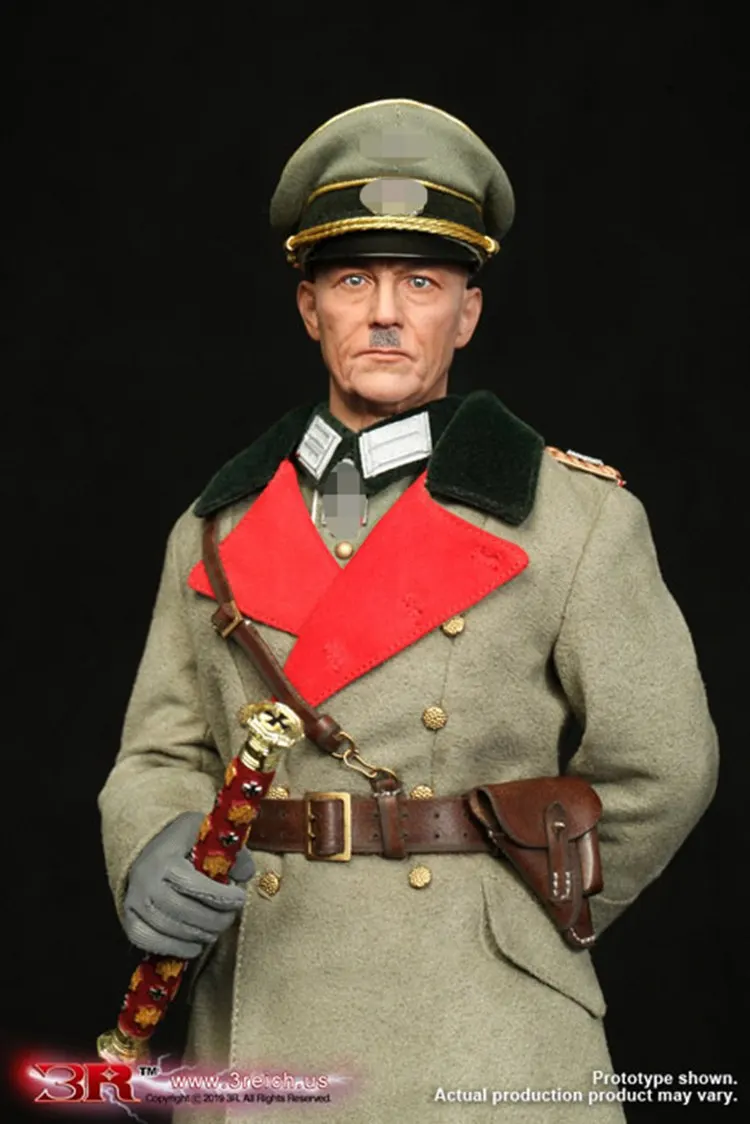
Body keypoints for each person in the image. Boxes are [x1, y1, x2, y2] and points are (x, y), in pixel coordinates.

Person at [98, 99, 719, 1123]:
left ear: (465, 315)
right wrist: (152, 842)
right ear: (310, 308)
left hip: (483, 1026)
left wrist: (523, 913)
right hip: (266, 1014)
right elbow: (159, 751)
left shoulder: (574, 520)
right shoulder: (213, 529)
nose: (386, 312)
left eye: (421, 282)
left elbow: (665, 762)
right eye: (354, 280)